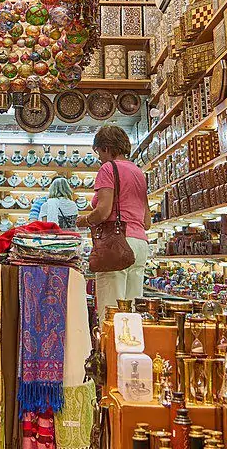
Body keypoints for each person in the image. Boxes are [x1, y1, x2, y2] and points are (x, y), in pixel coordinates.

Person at [76, 125, 151, 315]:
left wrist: (83, 220)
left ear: (107, 148)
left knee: (111, 313)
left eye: (99, 152)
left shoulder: (108, 169)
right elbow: (147, 221)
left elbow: (103, 211)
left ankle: (109, 346)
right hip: (140, 244)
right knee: (132, 312)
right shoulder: (138, 173)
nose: (99, 157)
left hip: (115, 244)